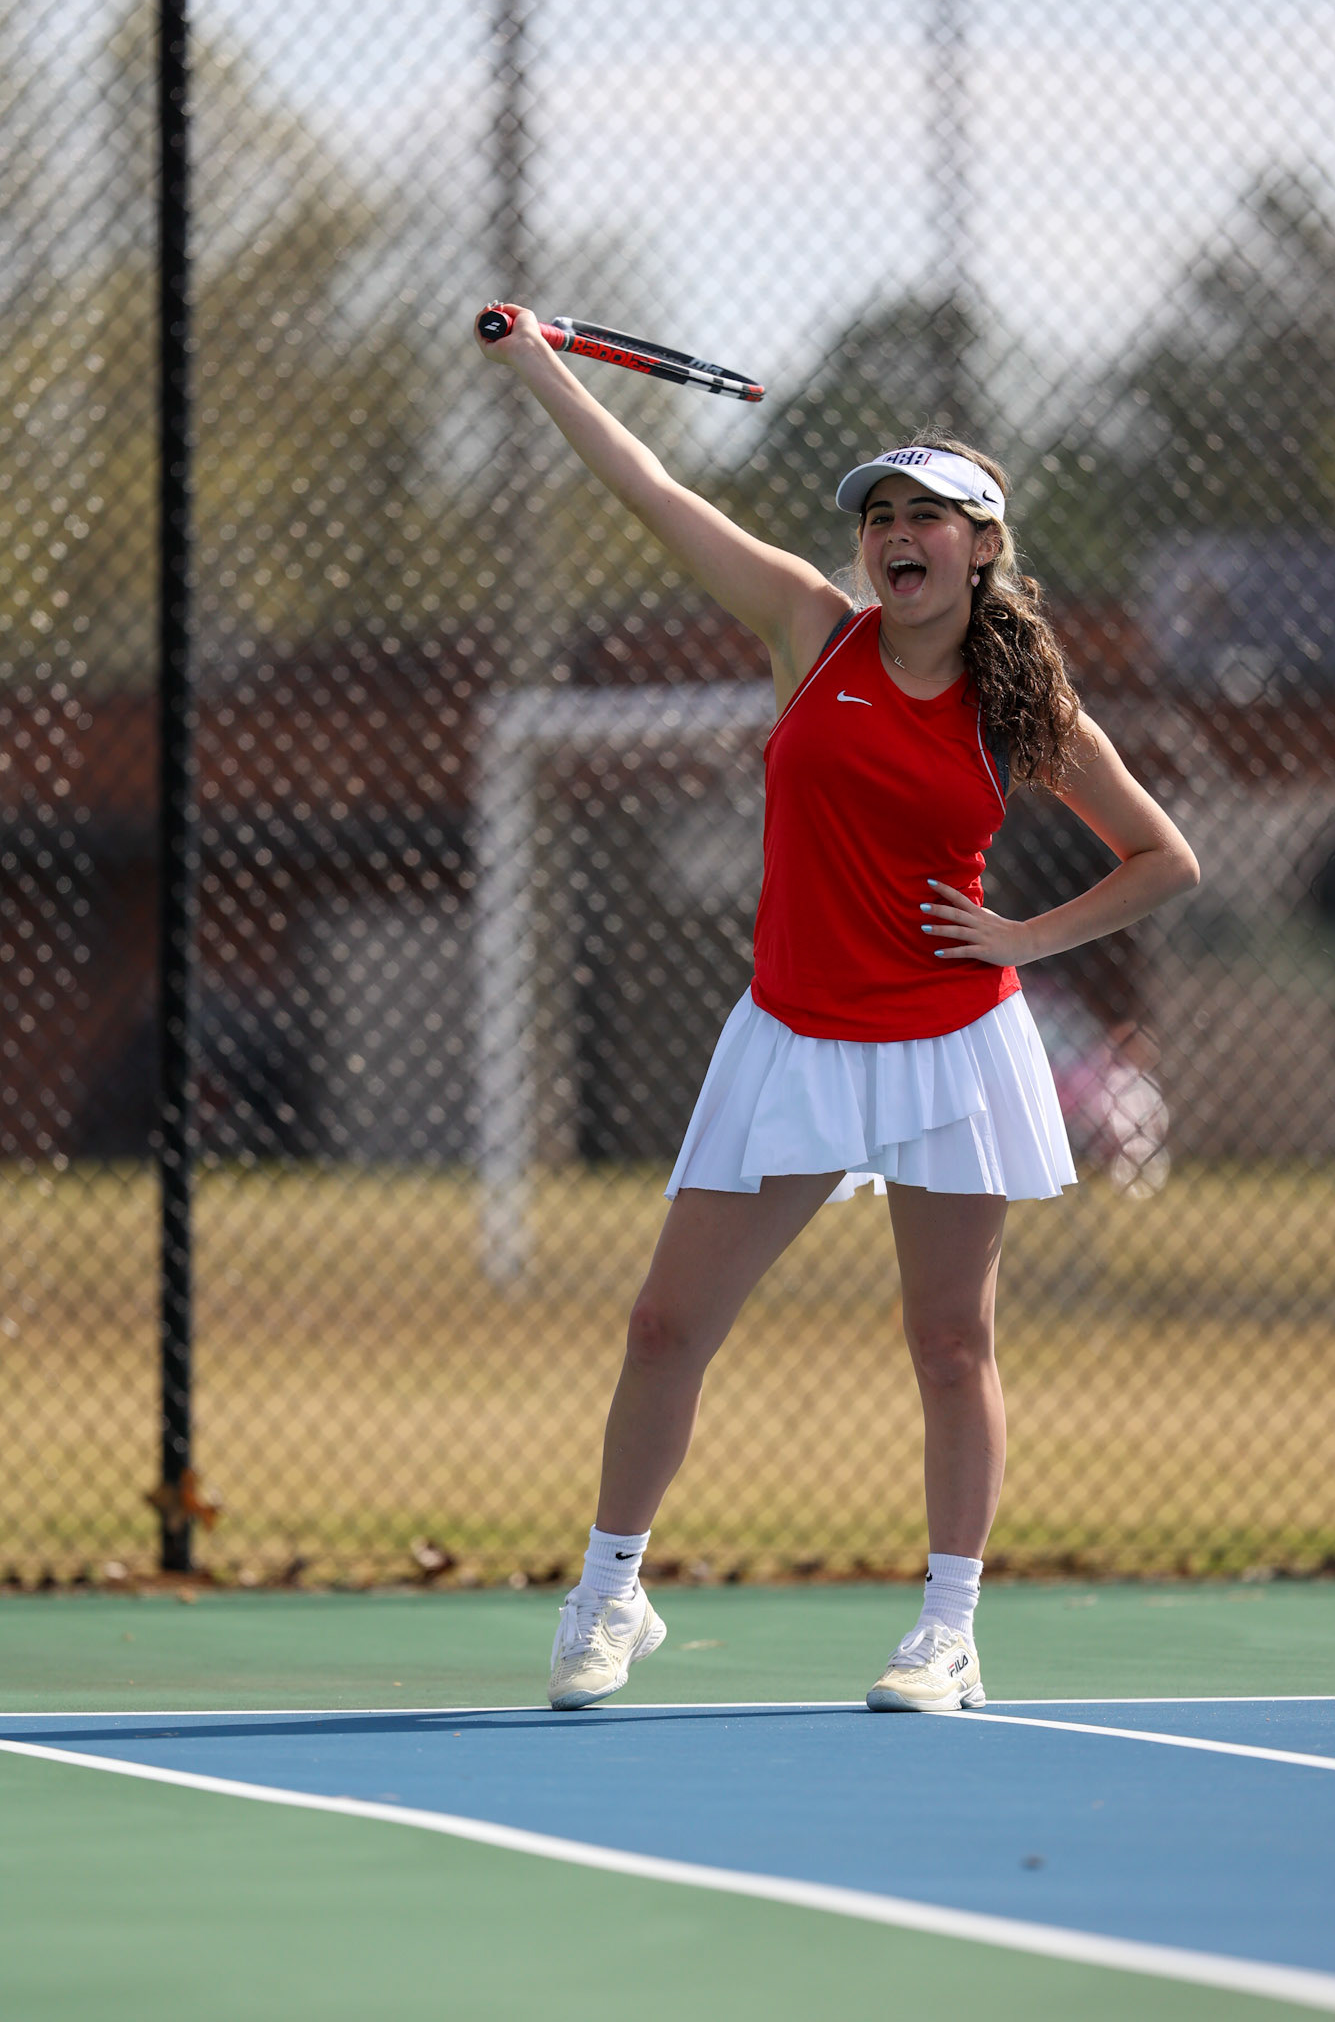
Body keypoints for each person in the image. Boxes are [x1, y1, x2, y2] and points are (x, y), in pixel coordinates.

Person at [476, 305, 1200, 1714]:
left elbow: (1165, 858)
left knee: (949, 1342)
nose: (897, 533)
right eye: (880, 513)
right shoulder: (809, 630)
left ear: (983, 546)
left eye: (929, 513)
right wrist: (538, 369)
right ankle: (610, 1592)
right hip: (793, 1035)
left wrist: (1024, 937)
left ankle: (946, 1631)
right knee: (663, 1326)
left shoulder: (1022, 708)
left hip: (952, 1045)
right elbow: (655, 493)